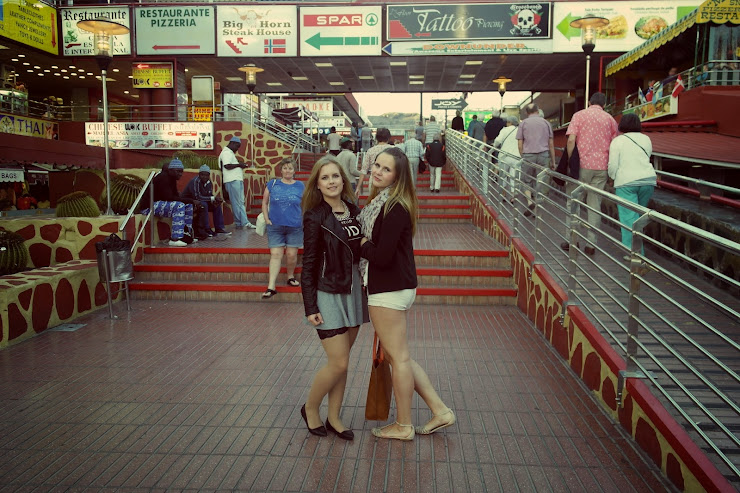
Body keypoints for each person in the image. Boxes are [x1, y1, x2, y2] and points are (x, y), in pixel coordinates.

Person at [358, 147, 454, 441]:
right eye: (377, 165)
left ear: (397, 177)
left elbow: (382, 256)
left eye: (386, 169)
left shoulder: (394, 206)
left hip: (389, 288)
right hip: (395, 286)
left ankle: (403, 425)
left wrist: (359, 243)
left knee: (398, 358)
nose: (378, 171)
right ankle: (440, 411)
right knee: (399, 357)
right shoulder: (384, 202)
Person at [300, 155, 366, 440]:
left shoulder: (354, 210)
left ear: (343, 179)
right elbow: (309, 263)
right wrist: (310, 305)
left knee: (343, 361)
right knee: (338, 362)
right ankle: (310, 408)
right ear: (317, 184)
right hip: (327, 291)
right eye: (324, 177)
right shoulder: (315, 216)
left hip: (354, 292)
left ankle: (335, 417)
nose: (331, 182)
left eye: (335, 176)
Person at [561, 92, 618, 255]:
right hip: (601, 168)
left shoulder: (579, 115)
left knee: (574, 202)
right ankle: (591, 244)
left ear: (589, 102)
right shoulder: (610, 120)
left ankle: (572, 240)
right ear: (604, 105)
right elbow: (614, 145)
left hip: (582, 166)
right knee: (594, 205)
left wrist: (571, 161)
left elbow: (571, 140)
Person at [607, 113, 655, 258]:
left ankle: (634, 254)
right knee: (639, 218)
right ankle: (639, 250)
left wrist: (612, 177)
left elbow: (613, 164)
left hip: (626, 183)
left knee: (628, 219)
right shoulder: (646, 139)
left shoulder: (618, 141)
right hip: (647, 181)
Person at [261, 158, 305, 299]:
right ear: (281, 170)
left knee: (291, 255)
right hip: (275, 226)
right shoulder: (273, 184)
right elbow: (264, 202)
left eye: (290, 168)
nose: (287, 171)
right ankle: (271, 286)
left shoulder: (300, 185)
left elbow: (305, 203)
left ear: (294, 170)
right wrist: (267, 219)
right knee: (275, 254)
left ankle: (290, 276)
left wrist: (304, 219)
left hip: (295, 226)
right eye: (285, 168)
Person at [142, 158, 197, 247]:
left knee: (188, 206)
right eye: (178, 171)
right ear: (170, 170)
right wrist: (191, 200)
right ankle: (175, 239)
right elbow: (169, 197)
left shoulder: (172, 179)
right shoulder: (163, 177)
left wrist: (190, 202)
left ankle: (186, 235)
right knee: (179, 206)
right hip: (149, 207)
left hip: (160, 204)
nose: (180, 174)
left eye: (181, 172)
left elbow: (176, 196)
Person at [516, 103, 555, 216]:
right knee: (541, 182)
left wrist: (523, 156)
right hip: (543, 155)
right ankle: (537, 210)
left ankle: (530, 201)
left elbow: (520, 144)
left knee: (526, 180)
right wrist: (553, 161)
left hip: (528, 155)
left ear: (526, 113)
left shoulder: (523, 123)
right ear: (538, 110)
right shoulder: (546, 123)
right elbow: (551, 144)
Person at [181, 164, 231, 239]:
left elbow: (209, 194)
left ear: (209, 175)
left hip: (200, 202)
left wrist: (214, 201)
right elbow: (197, 197)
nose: (205, 177)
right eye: (202, 175)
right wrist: (212, 198)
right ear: (199, 174)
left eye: (207, 175)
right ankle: (207, 229)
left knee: (216, 206)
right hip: (190, 202)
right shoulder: (195, 181)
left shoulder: (208, 182)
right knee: (204, 204)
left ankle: (219, 228)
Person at [219, 136, 256, 230]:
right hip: (232, 180)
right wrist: (240, 164)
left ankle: (239, 223)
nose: (237, 149)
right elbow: (227, 165)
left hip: (234, 180)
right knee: (239, 203)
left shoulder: (229, 153)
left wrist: (239, 165)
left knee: (238, 203)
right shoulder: (226, 153)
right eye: (237, 146)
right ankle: (245, 222)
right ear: (232, 143)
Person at [356, 127, 392, 196]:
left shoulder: (371, 150)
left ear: (377, 138)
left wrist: (358, 187)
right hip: (389, 180)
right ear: (388, 137)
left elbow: (364, 170)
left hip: (374, 180)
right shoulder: (394, 149)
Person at [493, 115, 521, 201]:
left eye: (507, 122)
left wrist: (494, 145)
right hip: (516, 157)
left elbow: (498, 141)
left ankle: (504, 194)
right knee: (514, 177)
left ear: (510, 122)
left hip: (504, 156)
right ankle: (513, 196)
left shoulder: (504, 130)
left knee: (504, 176)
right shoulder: (519, 130)